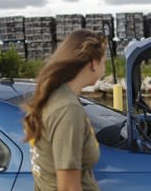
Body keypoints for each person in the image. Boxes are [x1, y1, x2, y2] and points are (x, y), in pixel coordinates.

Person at [23, 29, 106, 191]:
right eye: (104, 61)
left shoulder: (52, 97)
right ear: (93, 63)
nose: (105, 67)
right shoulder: (67, 109)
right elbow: (68, 187)